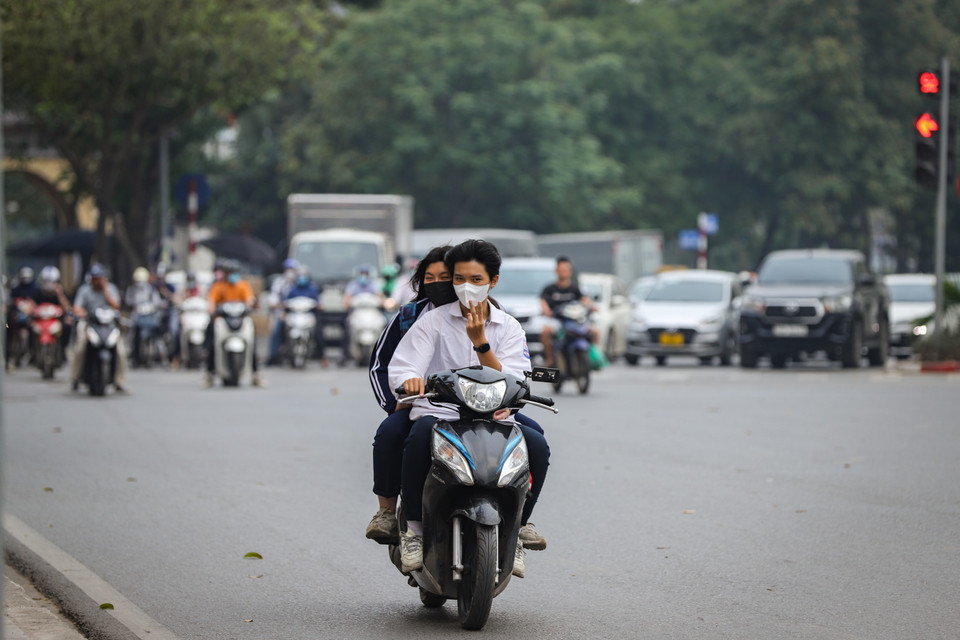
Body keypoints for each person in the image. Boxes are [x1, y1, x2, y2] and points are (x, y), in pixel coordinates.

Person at [388, 240, 550, 577]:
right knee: (417, 437)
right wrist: (410, 381)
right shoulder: (432, 322)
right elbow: (405, 365)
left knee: (537, 445)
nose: (466, 287)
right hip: (440, 414)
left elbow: (514, 378)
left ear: (493, 281)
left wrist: (481, 343)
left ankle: (519, 528)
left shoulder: (509, 327)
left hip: (495, 414)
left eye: (476, 280)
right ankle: (413, 530)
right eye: (459, 279)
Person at [202, 262, 264, 387]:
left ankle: (256, 374)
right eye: (230, 273)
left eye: (234, 273)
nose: (232, 276)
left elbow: (249, 300)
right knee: (212, 341)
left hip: (240, 320)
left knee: (252, 341)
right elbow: (211, 302)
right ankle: (209, 374)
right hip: (223, 321)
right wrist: (211, 309)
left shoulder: (243, 285)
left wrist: (251, 304)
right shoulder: (219, 286)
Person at [70, 263, 129, 392]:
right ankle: (75, 378)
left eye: (99, 278)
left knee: (120, 351)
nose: (97, 281)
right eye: (95, 278)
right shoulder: (84, 290)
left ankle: (119, 381)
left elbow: (116, 306)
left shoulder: (110, 288)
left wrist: (105, 290)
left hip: (108, 325)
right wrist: (82, 313)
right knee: (80, 347)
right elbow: (77, 307)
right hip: (90, 323)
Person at [539, 256, 598, 367]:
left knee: (594, 331)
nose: (564, 273)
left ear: (570, 272)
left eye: (566, 270)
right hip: (557, 321)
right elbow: (543, 302)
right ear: (556, 271)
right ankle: (550, 359)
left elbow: (585, 300)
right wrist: (546, 310)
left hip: (574, 321)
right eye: (561, 270)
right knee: (545, 331)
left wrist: (592, 307)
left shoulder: (575, 288)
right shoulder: (549, 289)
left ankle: (594, 357)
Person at [283, 266, 327, 367]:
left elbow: (319, 303)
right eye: (300, 276)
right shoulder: (292, 289)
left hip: (309, 316)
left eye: (304, 276)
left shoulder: (312, 289)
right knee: (281, 329)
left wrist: (318, 306)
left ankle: (322, 357)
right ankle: (283, 348)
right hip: (294, 316)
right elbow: (285, 302)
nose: (302, 278)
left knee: (318, 334)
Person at [341, 265, 383, 364]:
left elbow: (380, 297)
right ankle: (345, 355)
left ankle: (383, 353)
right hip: (357, 312)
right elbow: (347, 299)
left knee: (383, 324)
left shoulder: (373, 284)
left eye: (366, 273)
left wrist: (383, 302)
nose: (364, 276)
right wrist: (347, 304)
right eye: (362, 273)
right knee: (348, 329)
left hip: (371, 312)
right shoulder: (352, 285)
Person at [125, 267, 163, 367]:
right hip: (137, 318)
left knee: (158, 335)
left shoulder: (151, 290)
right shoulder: (132, 290)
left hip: (149, 318)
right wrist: (134, 307)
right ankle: (133, 354)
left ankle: (162, 356)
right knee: (132, 335)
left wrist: (153, 307)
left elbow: (157, 302)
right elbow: (128, 301)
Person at [5, 266, 40, 368]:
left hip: (30, 316)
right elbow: (11, 300)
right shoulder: (17, 288)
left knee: (34, 330)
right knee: (9, 327)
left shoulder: (36, 288)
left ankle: (33, 353)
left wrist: (31, 306)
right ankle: (10, 354)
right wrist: (14, 303)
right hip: (18, 316)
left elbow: (37, 301)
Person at [267, 259, 299, 366]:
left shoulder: (298, 283)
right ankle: (274, 355)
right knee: (277, 330)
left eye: (292, 269)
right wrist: (281, 306)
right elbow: (273, 300)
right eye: (288, 269)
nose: (290, 272)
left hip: (296, 313)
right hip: (281, 312)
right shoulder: (279, 283)